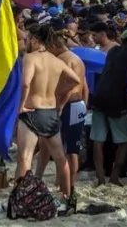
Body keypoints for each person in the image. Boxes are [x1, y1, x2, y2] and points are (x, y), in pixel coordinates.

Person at [16, 23, 80, 208]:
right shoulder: (56, 60)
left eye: (28, 39)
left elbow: (26, 83)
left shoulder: (30, 58)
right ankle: (67, 198)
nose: (26, 42)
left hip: (31, 111)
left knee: (25, 158)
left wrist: (20, 106)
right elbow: (75, 80)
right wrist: (58, 96)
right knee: (60, 158)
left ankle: (22, 200)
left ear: (36, 40)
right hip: (50, 111)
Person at [35, 20, 88, 193]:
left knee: (61, 147)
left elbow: (69, 87)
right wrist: (85, 107)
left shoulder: (63, 60)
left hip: (67, 106)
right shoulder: (77, 59)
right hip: (78, 105)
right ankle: (63, 182)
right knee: (68, 147)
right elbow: (85, 86)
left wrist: (59, 107)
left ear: (55, 44)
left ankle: (64, 183)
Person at [90, 28, 127, 185]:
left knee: (98, 139)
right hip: (116, 99)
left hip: (99, 96)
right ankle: (114, 176)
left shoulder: (113, 50)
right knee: (125, 141)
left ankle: (100, 177)